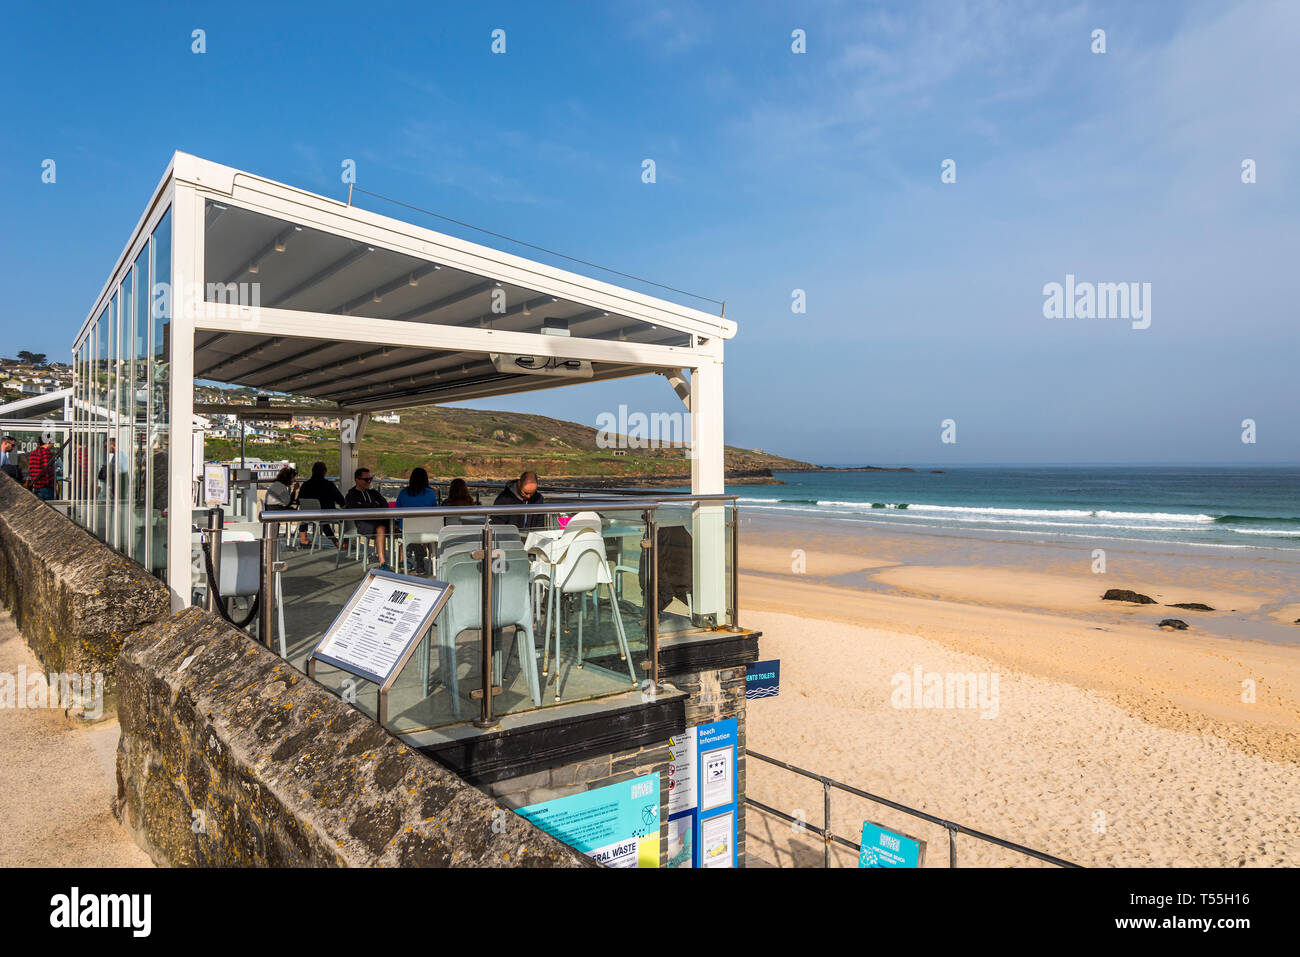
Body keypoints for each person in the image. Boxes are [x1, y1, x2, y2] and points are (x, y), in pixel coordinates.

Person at [345, 467, 391, 569]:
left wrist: (369, 506)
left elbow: (385, 504)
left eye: (370, 479)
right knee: (381, 528)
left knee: (398, 527)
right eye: (366, 479)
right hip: (363, 523)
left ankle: (401, 560)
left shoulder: (373, 493)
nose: (369, 482)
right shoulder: (351, 495)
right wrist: (374, 506)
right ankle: (382, 562)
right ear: (357, 480)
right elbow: (356, 509)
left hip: (377, 521)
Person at [395, 467, 438, 573]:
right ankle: (420, 561)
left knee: (410, 533)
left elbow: (397, 511)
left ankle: (411, 551)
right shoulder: (430, 493)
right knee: (418, 533)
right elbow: (435, 511)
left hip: (408, 531)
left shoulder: (403, 493)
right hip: (428, 532)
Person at [297, 461, 345, 547]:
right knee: (342, 518)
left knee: (305, 512)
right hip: (326, 514)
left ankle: (303, 538)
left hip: (308, 515)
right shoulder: (329, 485)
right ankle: (341, 541)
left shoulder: (305, 485)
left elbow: (299, 500)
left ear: (312, 471)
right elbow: (341, 501)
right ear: (324, 472)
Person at [27, 436, 57, 501]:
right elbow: (47, 471)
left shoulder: (34, 452)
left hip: (36, 486)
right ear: (49, 442)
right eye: (53, 443)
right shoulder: (46, 453)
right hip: (46, 487)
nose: (53, 445)